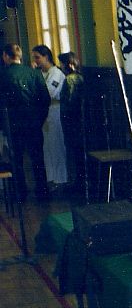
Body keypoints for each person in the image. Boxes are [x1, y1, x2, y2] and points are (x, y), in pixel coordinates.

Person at [0, 43, 50, 201]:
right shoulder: (34, 73)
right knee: (37, 158)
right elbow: (45, 99)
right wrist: (39, 120)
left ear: (6, 56)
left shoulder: (3, 75)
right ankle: (42, 192)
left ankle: (20, 193)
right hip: (33, 123)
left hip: (13, 125)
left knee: (17, 160)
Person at [32, 44, 67, 189]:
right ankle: (51, 178)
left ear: (46, 57)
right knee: (47, 146)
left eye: (37, 57)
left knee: (56, 145)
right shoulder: (40, 73)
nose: (35, 61)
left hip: (54, 111)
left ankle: (60, 179)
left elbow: (49, 92)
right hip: (43, 113)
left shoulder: (56, 73)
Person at [58, 51, 86, 196]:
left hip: (72, 122)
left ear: (68, 65)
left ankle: (77, 183)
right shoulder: (81, 77)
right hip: (80, 122)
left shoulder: (69, 79)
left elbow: (68, 102)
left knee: (74, 153)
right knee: (79, 154)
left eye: (62, 64)